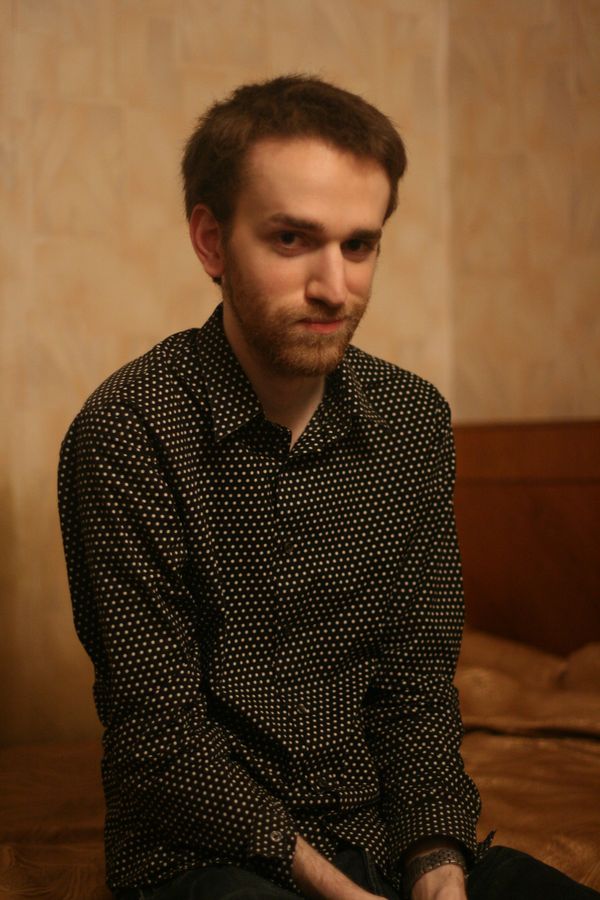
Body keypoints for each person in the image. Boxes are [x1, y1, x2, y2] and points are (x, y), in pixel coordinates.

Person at [58, 75, 599, 900]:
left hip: (382, 836)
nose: (334, 287)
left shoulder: (412, 422)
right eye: (291, 239)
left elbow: (416, 692)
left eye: (359, 245)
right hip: (201, 856)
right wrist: (336, 891)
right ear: (211, 242)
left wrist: (438, 865)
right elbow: (158, 740)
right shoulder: (130, 431)